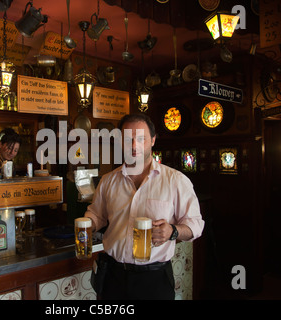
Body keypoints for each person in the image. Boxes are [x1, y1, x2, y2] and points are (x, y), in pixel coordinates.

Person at [85, 113, 204, 300]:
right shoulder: (108, 181)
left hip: (154, 280)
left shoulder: (176, 180)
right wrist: (88, 224)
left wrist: (172, 231)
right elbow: (97, 215)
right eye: (128, 139)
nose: (134, 146)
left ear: (153, 140)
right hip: (113, 277)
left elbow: (195, 226)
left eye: (141, 139)